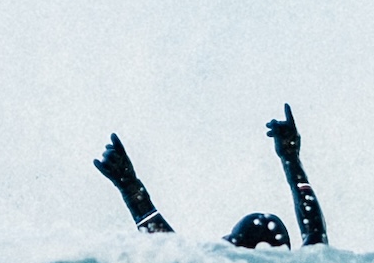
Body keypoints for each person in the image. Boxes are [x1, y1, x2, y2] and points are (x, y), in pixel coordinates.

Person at [92, 106, 328, 249]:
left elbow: (169, 248)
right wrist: (291, 158)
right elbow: (314, 228)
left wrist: (130, 188)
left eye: (228, 240)